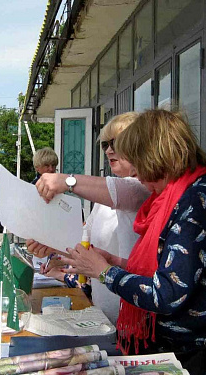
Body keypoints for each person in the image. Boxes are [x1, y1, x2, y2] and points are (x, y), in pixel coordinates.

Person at [59, 109, 206, 375]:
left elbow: (167, 293)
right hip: (198, 348)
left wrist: (104, 272)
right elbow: (172, 269)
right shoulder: (181, 194)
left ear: (155, 155)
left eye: (135, 161)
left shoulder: (198, 201)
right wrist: (115, 262)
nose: (134, 171)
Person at [28, 112, 150, 323]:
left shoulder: (142, 189)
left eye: (117, 143)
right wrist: (53, 246)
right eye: (105, 145)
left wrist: (66, 181)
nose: (109, 150)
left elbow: (121, 190)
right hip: (104, 313)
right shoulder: (104, 201)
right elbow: (85, 247)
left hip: (133, 317)